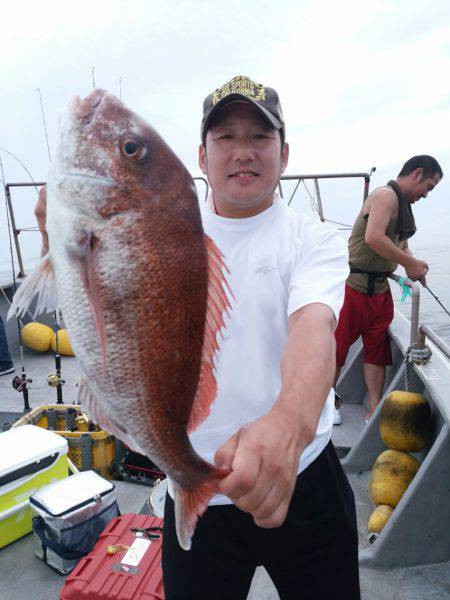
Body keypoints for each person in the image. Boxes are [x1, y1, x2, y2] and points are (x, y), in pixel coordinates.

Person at [35, 76, 359, 599]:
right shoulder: (156, 223)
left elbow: (313, 327)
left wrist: (288, 424)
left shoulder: (313, 238)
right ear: (203, 157)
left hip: (301, 471)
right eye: (225, 137)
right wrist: (61, 241)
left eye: (260, 136)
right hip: (190, 482)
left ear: (285, 152)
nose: (243, 151)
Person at [334, 155, 443, 423]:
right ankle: (327, 403)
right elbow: (373, 237)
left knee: (376, 352)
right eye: (428, 187)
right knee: (336, 348)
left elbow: (402, 245)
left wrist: (412, 266)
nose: (426, 195)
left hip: (380, 293)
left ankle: (374, 410)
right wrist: (410, 263)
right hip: (354, 288)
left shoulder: (405, 207)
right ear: (416, 173)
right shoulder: (385, 196)